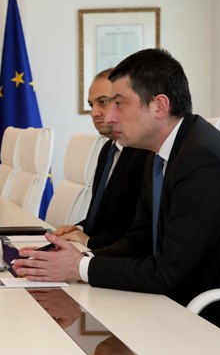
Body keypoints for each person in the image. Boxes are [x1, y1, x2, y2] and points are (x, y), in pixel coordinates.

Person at [13, 49, 220, 344]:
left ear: (159, 105)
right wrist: (76, 257)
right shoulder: (161, 153)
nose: (109, 117)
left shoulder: (203, 160)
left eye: (119, 104)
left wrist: (79, 267)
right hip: (183, 302)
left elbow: (168, 272)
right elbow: (138, 241)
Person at [53, 68, 152, 248]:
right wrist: (79, 228)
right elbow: (103, 217)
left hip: (117, 257)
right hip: (97, 250)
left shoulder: (145, 153)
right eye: (91, 105)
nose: (93, 113)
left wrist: (89, 241)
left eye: (103, 102)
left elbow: (137, 233)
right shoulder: (108, 149)